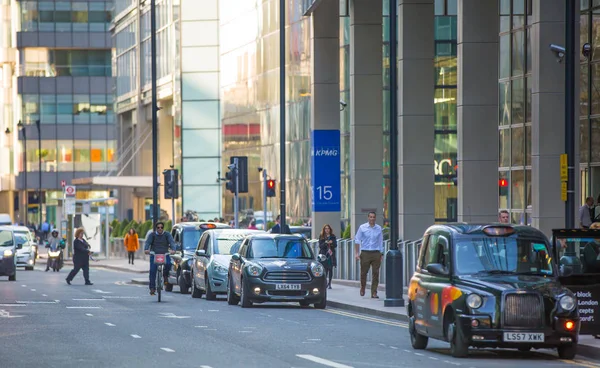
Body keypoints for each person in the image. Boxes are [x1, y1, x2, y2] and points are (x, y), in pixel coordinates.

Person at [354, 212, 383, 298]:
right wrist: (356, 253)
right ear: (368, 218)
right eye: (370, 217)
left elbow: (380, 241)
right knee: (363, 273)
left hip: (376, 252)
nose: (372, 219)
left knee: (376, 273)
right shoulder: (362, 227)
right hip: (365, 252)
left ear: (375, 218)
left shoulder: (379, 228)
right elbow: (357, 240)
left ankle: (374, 292)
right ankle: (363, 287)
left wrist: (381, 253)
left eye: (373, 217)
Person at [144, 222, 176, 296]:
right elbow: (147, 243)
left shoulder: (167, 234)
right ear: (156, 228)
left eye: (161, 227)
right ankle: (152, 288)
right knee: (152, 271)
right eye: (158, 227)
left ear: (163, 228)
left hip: (165, 254)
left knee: (168, 264)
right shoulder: (152, 235)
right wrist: (146, 249)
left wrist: (173, 249)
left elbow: (172, 242)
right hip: (154, 255)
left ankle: (165, 276)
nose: (160, 229)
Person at [318, 224, 337, 289]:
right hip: (323, 255)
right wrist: (326, 242)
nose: (327, 230)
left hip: (330, 254)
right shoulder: (322, 236)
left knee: (330, 268)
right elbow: (320, 246)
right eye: (326, 228)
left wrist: (331, 243)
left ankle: (330, 283)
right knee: (324, 269)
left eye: (328, 228)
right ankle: (325, 282)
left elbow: (335, 245)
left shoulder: (333, 236)